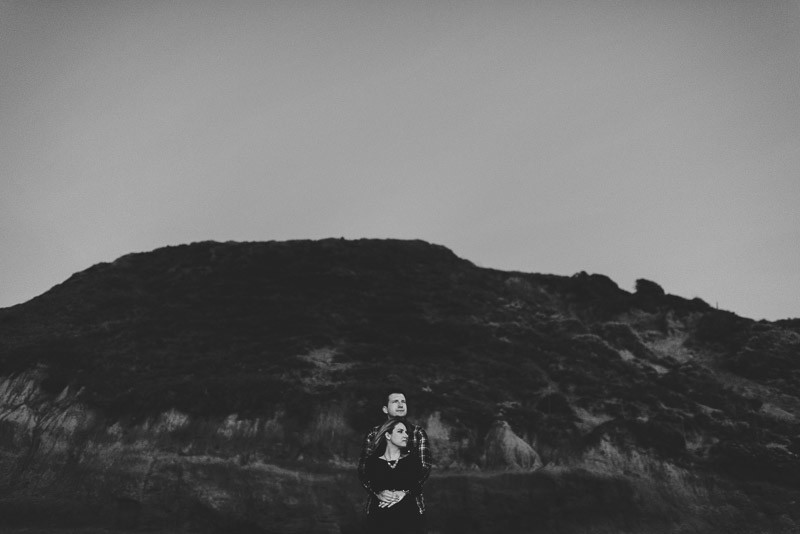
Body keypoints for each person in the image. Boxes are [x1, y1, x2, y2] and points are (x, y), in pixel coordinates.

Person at [358, 390, 431, 532]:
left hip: (411, 507)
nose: (400, 405)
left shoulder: (417, 433)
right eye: (395, 401)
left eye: (403, 401)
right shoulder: (373, 434)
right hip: (379, 508)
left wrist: (404, 492)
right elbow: (363, 471)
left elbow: (424, 468)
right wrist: (377, 493)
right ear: (385, 409)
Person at [362, 417, 425, 534]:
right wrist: (379, 494)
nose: (406, 435)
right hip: (379, 520)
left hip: (408, 519)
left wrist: (403, 492)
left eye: (406, 432)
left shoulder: (412, 460)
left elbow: (417, 486)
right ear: (388, 435)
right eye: (400, 431)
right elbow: (371, 485)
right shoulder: (373, 462)